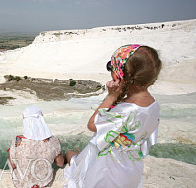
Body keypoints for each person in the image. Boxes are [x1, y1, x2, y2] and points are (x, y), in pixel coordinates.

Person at [64, 44, 162, 188]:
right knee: (76, 157)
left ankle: (74, 157)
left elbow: (92, 125)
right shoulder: (154, 105)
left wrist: (111, 97)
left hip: (107, 171)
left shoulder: (125, 111)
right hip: (130, 168)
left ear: (119, 74)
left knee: (74, 161)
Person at [8, 105, 64, 188]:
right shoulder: (53, 141)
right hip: (45, 184)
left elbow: (13, 165)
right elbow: (60, 164)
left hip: (21, 184)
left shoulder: (17, 141)